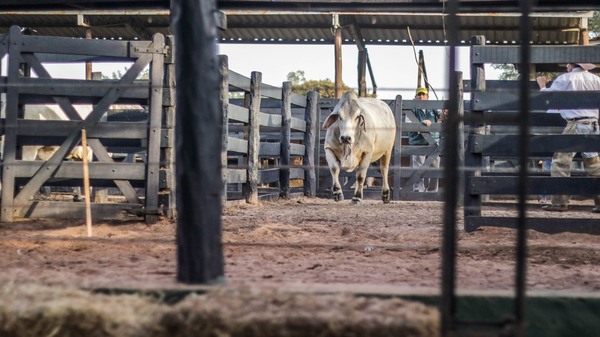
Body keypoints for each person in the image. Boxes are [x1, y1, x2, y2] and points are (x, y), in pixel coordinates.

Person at [536, 63, 600, 213]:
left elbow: (548, 96)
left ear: (571, 65)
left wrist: (542, 85)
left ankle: (559, 202)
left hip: (575, 124)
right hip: (594, 125)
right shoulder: (596, 80)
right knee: (594, 164)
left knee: (560, 162)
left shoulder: (566, 78)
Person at [407, 87, 441, 192]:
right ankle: (418, 190)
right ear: (415, 97)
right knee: (418, 166)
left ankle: (432, 191)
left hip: (433, 142)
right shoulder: (411, 109)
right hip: (418, 142)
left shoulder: (433, 108)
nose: (421, 96)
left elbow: (442, 116)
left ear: (427, 97)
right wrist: (421, 124)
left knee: (435, 165)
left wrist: (445, 114)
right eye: (419, 94)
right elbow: (408, 123)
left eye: (423, 94)